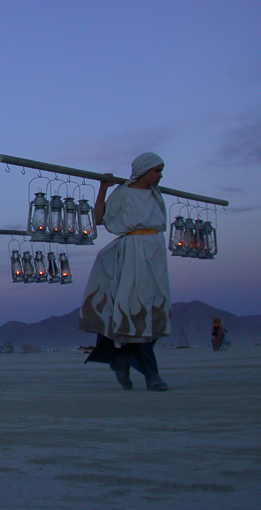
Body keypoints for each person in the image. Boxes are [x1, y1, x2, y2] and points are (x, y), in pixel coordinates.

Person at [79, 152, 172, 392]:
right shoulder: (124, 193)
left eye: (161, 171)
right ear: (143, 171)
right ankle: (151, 374)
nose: (160, 176)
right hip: (133, 253)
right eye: (156, 171)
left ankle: (121, 359)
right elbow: (99, 218)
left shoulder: (155, 194)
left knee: (152, 309)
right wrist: (103, 189)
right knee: (134, 309)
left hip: (155, 254)